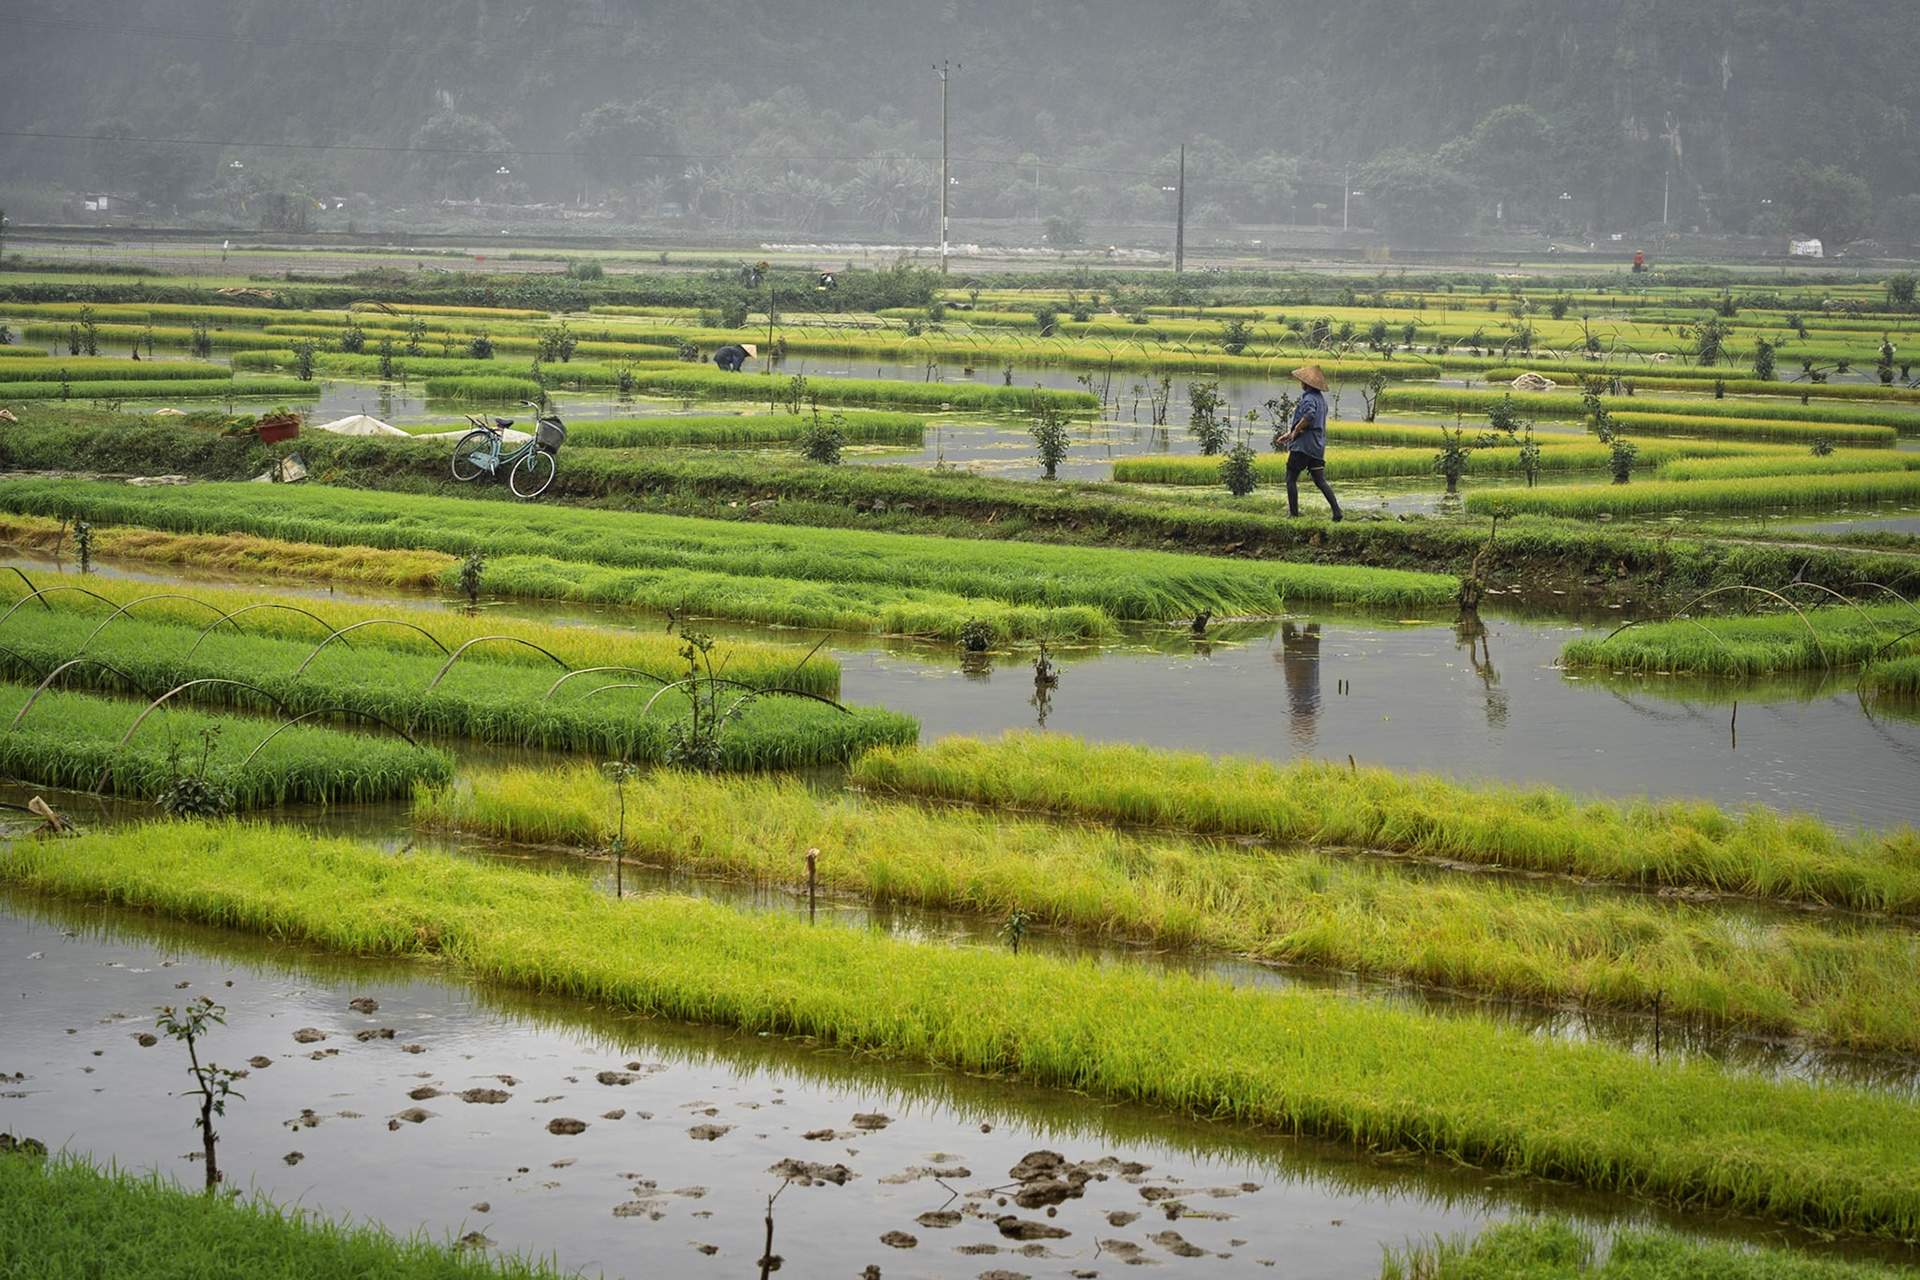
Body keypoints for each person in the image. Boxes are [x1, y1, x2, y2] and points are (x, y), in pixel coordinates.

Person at [1276, 364, 1342, 521]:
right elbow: (1312, 422)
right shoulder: (1321, 400)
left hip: (1303, 447)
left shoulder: (1308, 399)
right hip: (1317, 446)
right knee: (1320, 480)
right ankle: (1337, 512)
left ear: (1305, 384)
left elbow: (1309, 416)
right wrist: (1290, 433)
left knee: (1290, 478)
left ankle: (1293, 515)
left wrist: (1297, 431)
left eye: (1301, 381)